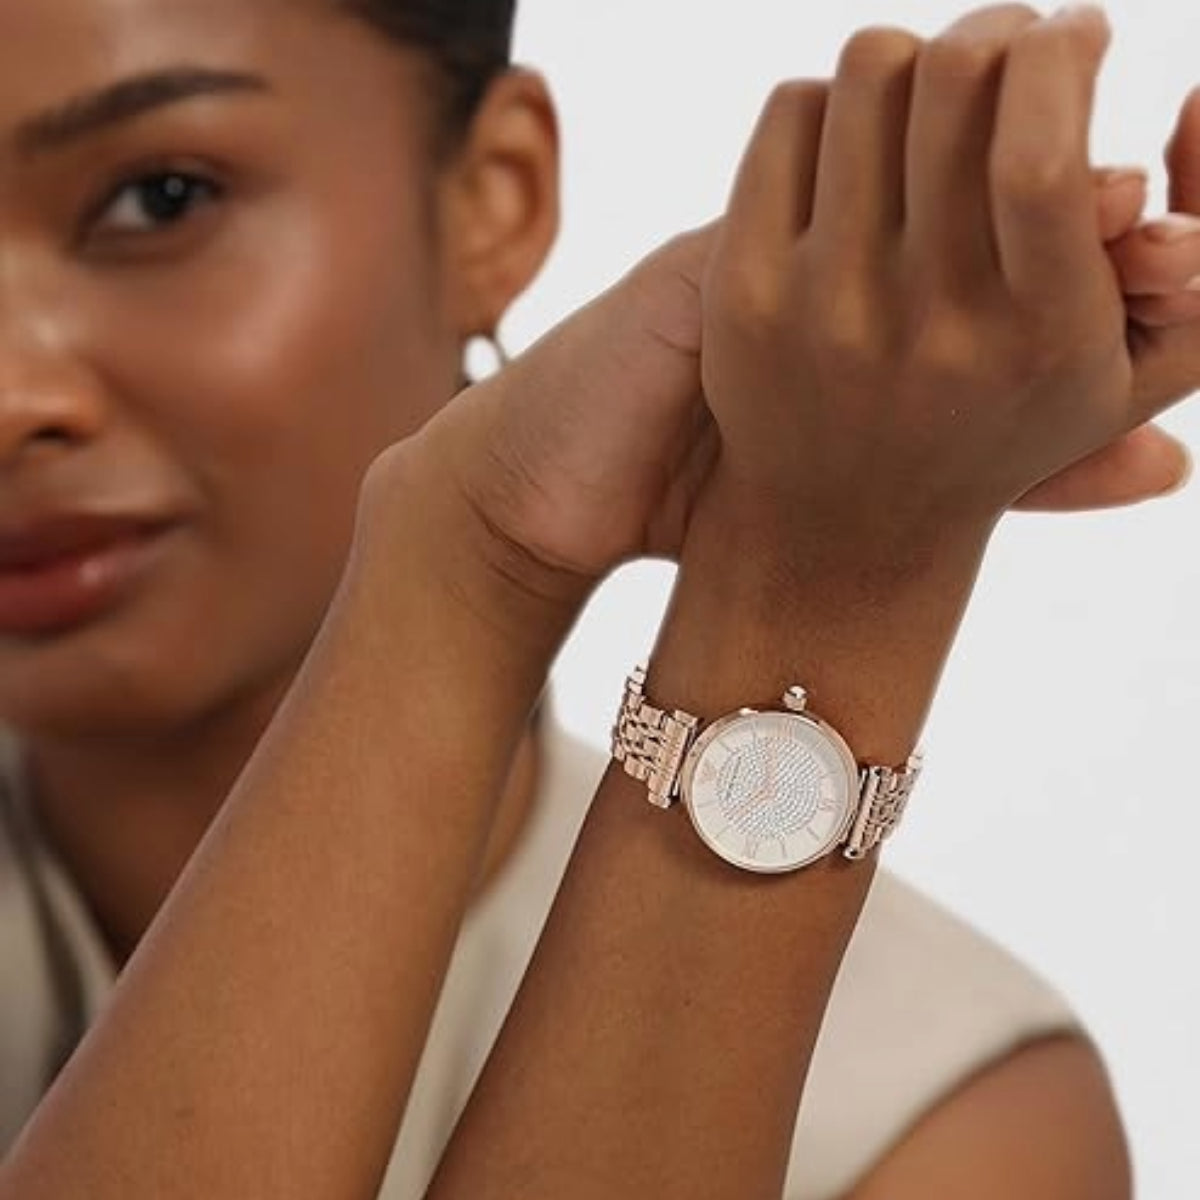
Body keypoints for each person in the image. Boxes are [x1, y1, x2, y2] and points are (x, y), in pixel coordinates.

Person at [1, 2, 1200, 1196]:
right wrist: (459, 565)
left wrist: (479, 555)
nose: (13, 394)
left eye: (160, 198)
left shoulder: (922, 1119)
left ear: (496, 196)